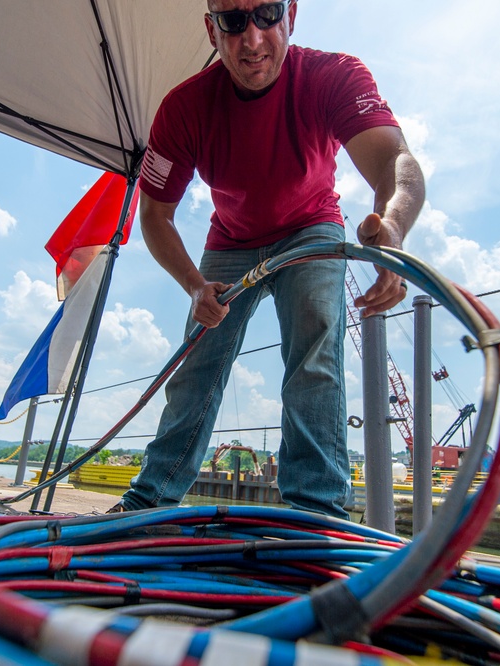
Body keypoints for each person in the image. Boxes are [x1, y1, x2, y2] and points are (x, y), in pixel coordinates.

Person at [112, 0, 425, 519]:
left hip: (312, 226)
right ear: (212, 30)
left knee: (314, 350)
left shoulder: (333, 75)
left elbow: (396, 160)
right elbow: (155, 216)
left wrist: (391, 228)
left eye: (266, 15)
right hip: (230, 242)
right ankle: (148, 501)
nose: (252, 40)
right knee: (198, 362)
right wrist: (194, 286)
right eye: (234, 22)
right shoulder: (182, 108)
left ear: (291, 15)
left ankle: (316, 515)